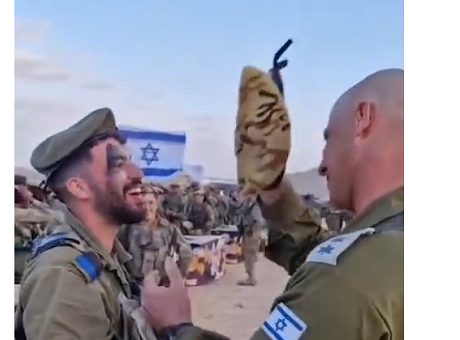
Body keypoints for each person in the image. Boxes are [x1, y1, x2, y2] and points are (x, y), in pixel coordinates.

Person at [141, 68, 404, 340]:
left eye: (329, 138)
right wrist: (275, 192)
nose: (323, 165)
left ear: (363, 119)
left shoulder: (352, 281)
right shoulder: (390, 245)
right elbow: (326, 253)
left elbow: (345, 270)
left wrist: (175, 326)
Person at [14, 108, 159, 340]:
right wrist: (177, 328)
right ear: (79, 187)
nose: (138, 173)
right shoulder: (65, 277)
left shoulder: (105, 256)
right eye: (118, 164)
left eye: (130, 161)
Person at [117, 184, 192, 284]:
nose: (147, 208)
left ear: (157, 204)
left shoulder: (168, 228)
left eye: (151, 203)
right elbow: (116, 255)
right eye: (142, 204)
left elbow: (186, 253)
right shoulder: (127, 228)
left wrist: (176, 277)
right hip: (133, 285)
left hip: (159, 285)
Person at [236, 195, 264, 286]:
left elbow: (258, 222)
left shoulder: (255, 207)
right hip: (248, 232)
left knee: (250, 256)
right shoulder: (249, 205)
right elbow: (240, 212)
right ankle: (250, 276)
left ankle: (251, 278)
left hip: (251, 233)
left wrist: (253, 232)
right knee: (248, 255)